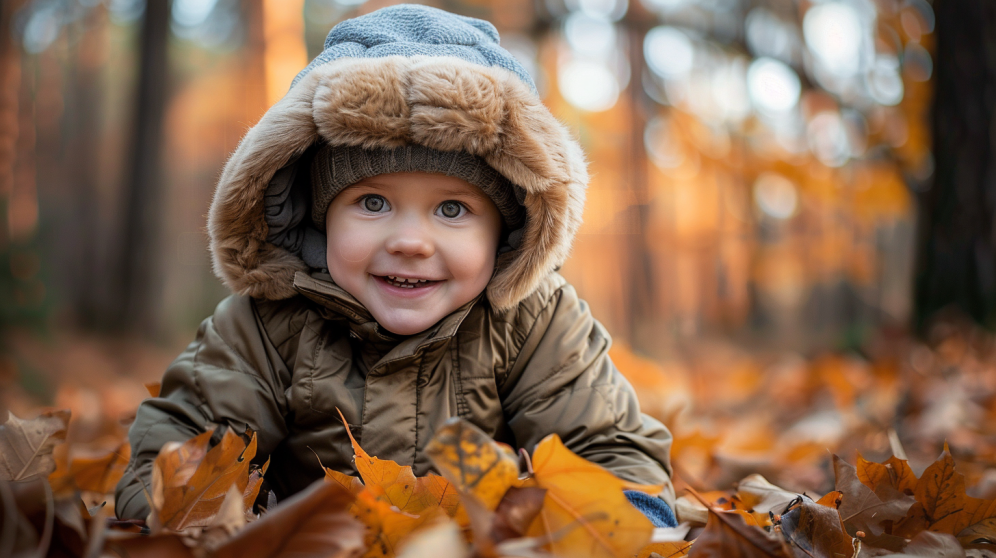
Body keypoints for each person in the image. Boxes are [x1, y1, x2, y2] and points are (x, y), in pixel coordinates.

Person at [115, 4, 676, 526]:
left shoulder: (534, 323)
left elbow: (610, 446)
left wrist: (624, 527)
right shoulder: (267, 324)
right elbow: (182, 445)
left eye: (452, 209)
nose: (410, 241)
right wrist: (183, 526)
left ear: (503, 230)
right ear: (320, 217)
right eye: (372, 203)